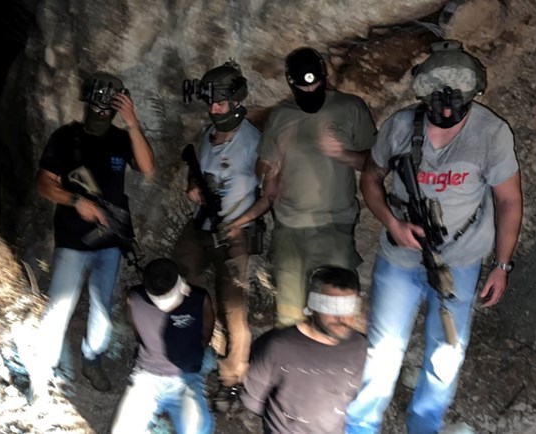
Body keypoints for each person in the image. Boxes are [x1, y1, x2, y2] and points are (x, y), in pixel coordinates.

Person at [345, 40, 523, 434]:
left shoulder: (491, 133)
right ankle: (361, 425)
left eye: (454, 107)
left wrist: (502, 265)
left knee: (447, 351)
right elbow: (371, 178)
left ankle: (425, 425)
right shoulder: (400, 126)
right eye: (436, 106)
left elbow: (509, 201)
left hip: (460, 258)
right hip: (400, 256)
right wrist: (392, 223)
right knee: (383, 349)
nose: (444, 114)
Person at [226, 46, 377, 327]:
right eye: (303, 87)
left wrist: (343, 154)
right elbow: (263, 169)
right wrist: (268, 169)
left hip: (333, 225)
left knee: (336, 313)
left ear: (323, 76)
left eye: (315, 84)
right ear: (291, 83)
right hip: (289, 229)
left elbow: (376, 163)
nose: (310, 91)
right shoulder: (280, 116)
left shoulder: (350, 108)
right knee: (289, 317)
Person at [31, 71, 155, 394]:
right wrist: (76, 201)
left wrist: (132, 123)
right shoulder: (65, 137)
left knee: (103, 306)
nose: (101, 114)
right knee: (59, 306)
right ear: (87, 104)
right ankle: (43, 370)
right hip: (73, 239)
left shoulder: (121, 138)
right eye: (96, 108)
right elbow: (43, 183)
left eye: (107, 109)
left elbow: (147, 167)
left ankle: (92, 361)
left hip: (109, 240)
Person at [172, 60, 261, 408]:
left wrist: (243, 222)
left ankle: (233, 379)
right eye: (211, 103)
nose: (214, 109)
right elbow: (197, 171)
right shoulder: (207, 135)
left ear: (237, 100)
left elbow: (271, 193)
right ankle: (189, 350)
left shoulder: (255, 142)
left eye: (221, 103)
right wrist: (192, 186)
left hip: (235, 232)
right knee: (182, 285)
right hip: (202, 225)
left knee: (234, 309)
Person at [241, 265, 368, 434]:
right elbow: (252, 399)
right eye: (331, 306)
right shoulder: (276, 346)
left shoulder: (360, 347)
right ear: (312, 305)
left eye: (348, 306)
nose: (341, 318)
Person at [110, 257, 215, 434]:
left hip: (186, 378)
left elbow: (206, 334)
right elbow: (138, 332)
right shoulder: (134, 298)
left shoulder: (199, 299)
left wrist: (191, 356)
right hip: (147, 376)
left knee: (198, 430)